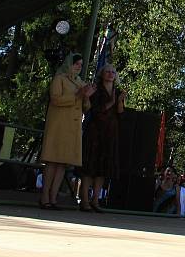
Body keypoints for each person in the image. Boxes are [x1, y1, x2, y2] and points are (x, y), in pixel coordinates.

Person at [39, 53, 95, 210]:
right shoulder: (60, 78)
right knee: (52, 161)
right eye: (76, 63)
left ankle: (53, 197)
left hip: (72, 127)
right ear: (69, 64)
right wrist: (78, 95)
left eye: (81, 64)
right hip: (58, 125)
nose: (78, 66)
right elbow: (55, 99)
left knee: (62, 163)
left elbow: (86, 107)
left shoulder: (80, 82)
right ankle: (44, 197)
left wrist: (87, 97)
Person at [79, 64, 125, 213]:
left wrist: (119, 102)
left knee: (102, 169)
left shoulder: (117, 91)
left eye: (113, 72)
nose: (111, 74)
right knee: (89, 166)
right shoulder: (96, 88)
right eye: (108, 72)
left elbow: (121, 113)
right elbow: (95, 110)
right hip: (95, 131)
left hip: (110, 133)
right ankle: (84, 199)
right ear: (102, 74)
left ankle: (95, 200)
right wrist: (111, 102)